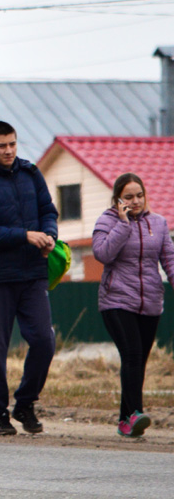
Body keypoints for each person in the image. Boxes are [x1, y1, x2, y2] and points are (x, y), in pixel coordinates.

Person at [0, 120, 58, 435]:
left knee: (45, 342)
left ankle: (24, 404)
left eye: (12, 144)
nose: (9, 151)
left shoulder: (31, 174)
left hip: (33, 274)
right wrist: (26, 236)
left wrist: (48, 234)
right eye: (2, 146)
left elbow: (49, 211)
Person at [92, 173, 174, 438]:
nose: (136, 201)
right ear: (117, 199)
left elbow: (169, 260)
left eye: (139, 195)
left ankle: (125, 420)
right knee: (132, 355)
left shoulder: (158, 224)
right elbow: (102, 254)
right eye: (129, 197)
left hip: (150, 302)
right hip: (116, 300)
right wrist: (123, 224)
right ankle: (136, 413)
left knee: (139, 361)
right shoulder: (108, 221)